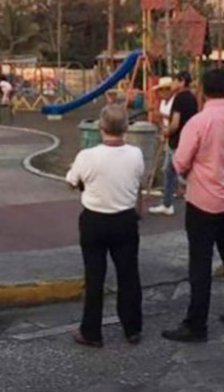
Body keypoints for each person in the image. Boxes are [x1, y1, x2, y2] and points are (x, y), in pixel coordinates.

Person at [162, 68, 224, 343]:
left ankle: (196, 323)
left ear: (202, 90)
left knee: (200, 263)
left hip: (203, 200)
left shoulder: (198, 123)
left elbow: (179, 162)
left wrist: (190, 173)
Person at [65, 104, 145, 348]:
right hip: (124, 219)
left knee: (94, 276)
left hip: (94, 220)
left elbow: (71, 182)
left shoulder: (87, 156)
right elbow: (137, 179)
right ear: (125, 129)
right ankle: (132, 328)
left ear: (101, 128)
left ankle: (91, 331)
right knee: (129, 274)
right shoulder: (136, 154)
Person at [151, 72, 198, 216]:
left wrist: (167, 132)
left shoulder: (179, 99)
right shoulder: (192, 98)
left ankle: (170, 203)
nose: (173, 84)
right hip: (188, 138)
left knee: (175, 171)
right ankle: (168, 202)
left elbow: (175, 123)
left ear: (182, 82)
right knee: (170, 170)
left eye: (175, 81)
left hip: (176, 140)